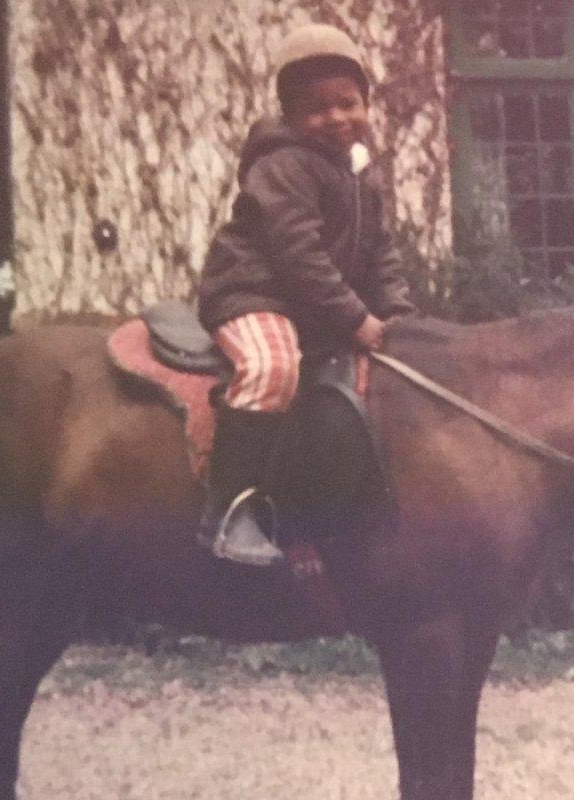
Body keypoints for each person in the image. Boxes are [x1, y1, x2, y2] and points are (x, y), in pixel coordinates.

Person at [196, 23, 415, 566]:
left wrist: (401, 316)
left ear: (367, 104)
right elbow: (299, 258)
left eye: (349, 103)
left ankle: (321, 518)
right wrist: (357, 318)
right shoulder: (282, 165)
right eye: (317, 109)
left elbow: (380, 253)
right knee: (272, 369)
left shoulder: (361, 175)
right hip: (254, 293)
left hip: (309, 309)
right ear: (290, 117)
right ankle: (229, 513)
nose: (337, 118)